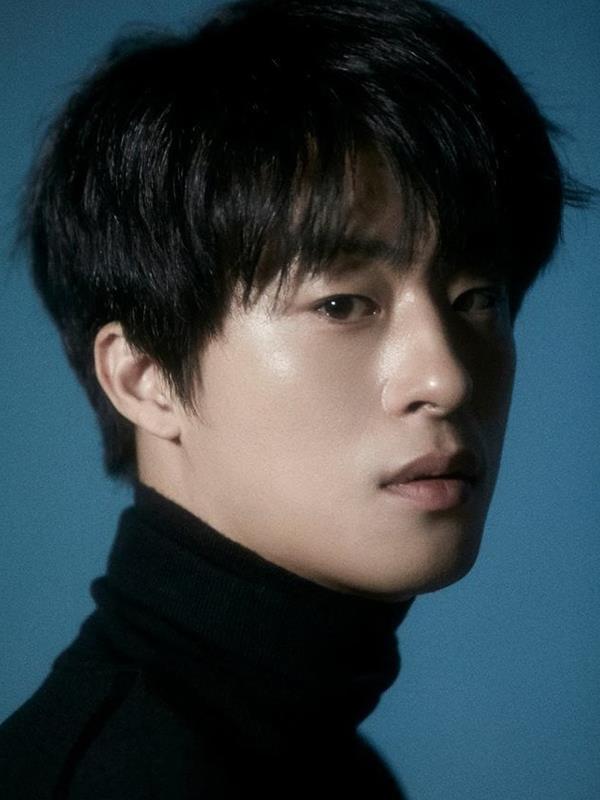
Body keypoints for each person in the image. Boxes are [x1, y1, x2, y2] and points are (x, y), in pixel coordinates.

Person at [0, 0, 590, 797]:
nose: (446, 378)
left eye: (476, 298)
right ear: (144, 378)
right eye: (342, 304)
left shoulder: (333, 768)